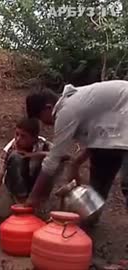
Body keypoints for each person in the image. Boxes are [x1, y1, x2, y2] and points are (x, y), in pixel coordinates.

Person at [25, 80, 128, 211]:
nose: (43, 123)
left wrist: (32, 198)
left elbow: (52, 160)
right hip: (118, 128)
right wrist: (76, 163)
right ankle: (90, 217)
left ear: (48, 108)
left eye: (40, 118)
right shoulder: (77, 104)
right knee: (98, 179)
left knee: (127, 183)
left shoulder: (66, 110)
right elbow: (99, 138)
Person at [0, 118, 52, 224]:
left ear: (34, 139)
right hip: (16, 183)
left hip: (35, 183)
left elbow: (63, 155)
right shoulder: (9, 149)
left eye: (23, 136)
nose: (18, 139)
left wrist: (34, 155)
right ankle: (22, 202)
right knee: (16, 157)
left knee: (53, 162)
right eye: (17, 134)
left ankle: (42, 200)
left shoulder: (43, 144)